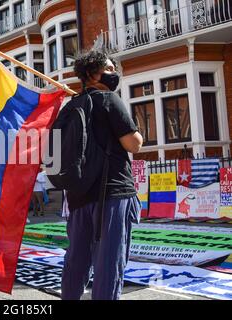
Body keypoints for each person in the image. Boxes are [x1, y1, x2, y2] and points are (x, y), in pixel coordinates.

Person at [61, 50, 143, 300]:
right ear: (91, 74)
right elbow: (133, 144)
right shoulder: (109, 100)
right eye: (107, 69)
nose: (113, 74)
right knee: (109, 262)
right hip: (112, 191)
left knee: (76, 260)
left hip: (77, 195)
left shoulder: (70, 107)